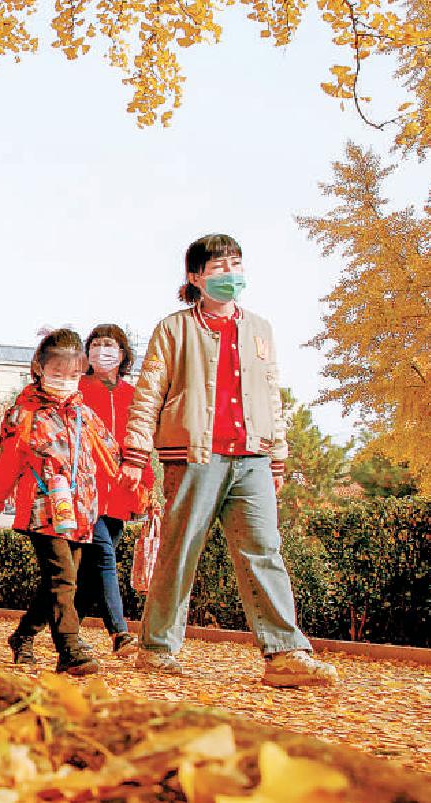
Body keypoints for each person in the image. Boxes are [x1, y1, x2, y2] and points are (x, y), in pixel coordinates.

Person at [120, 234, 338, 686]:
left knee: (265, 551)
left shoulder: (260, 328)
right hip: (194, 455)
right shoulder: (174, 329)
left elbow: (272, 395)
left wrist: (277, 456)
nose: (231, 276)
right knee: (180, 551)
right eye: (219, 268)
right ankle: (157, 647)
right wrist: (136, 452)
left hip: (253, 457)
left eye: (237, 265)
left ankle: (284, 653)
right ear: (195, 278)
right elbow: (147, 396)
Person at [0, 330, 121, 675]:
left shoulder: (82, 412)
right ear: (39, 369)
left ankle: (23, 635)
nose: (66, 382)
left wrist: (138, 484)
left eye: (74, 375)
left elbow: (111, 454)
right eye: (58, 374)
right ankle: (70, 649)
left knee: (60, 580)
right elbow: (6, 462)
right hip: (43, 508)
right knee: (62, 578)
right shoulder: (25, 413)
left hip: (80, 510)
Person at [76, 324, 156, 655]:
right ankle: (120, 633)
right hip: (85, 490)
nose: (102, 350)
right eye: (96, 344)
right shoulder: (77, 389)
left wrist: (148, 486)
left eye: (110, 345)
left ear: (122, 354)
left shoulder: (132, 395)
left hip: (121, 492)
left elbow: (141, 441)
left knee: (92, 573)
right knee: (104, 557)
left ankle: (61, 628)